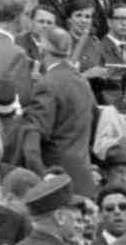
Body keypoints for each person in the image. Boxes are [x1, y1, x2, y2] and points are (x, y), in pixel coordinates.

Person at [24, 27, 97, 197]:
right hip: (83, 179)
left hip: (56, 182)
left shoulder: (47, 84)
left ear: (42, 50)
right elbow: (94, 121)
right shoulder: (83, 82)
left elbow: (33, 136)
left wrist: (40, 174)